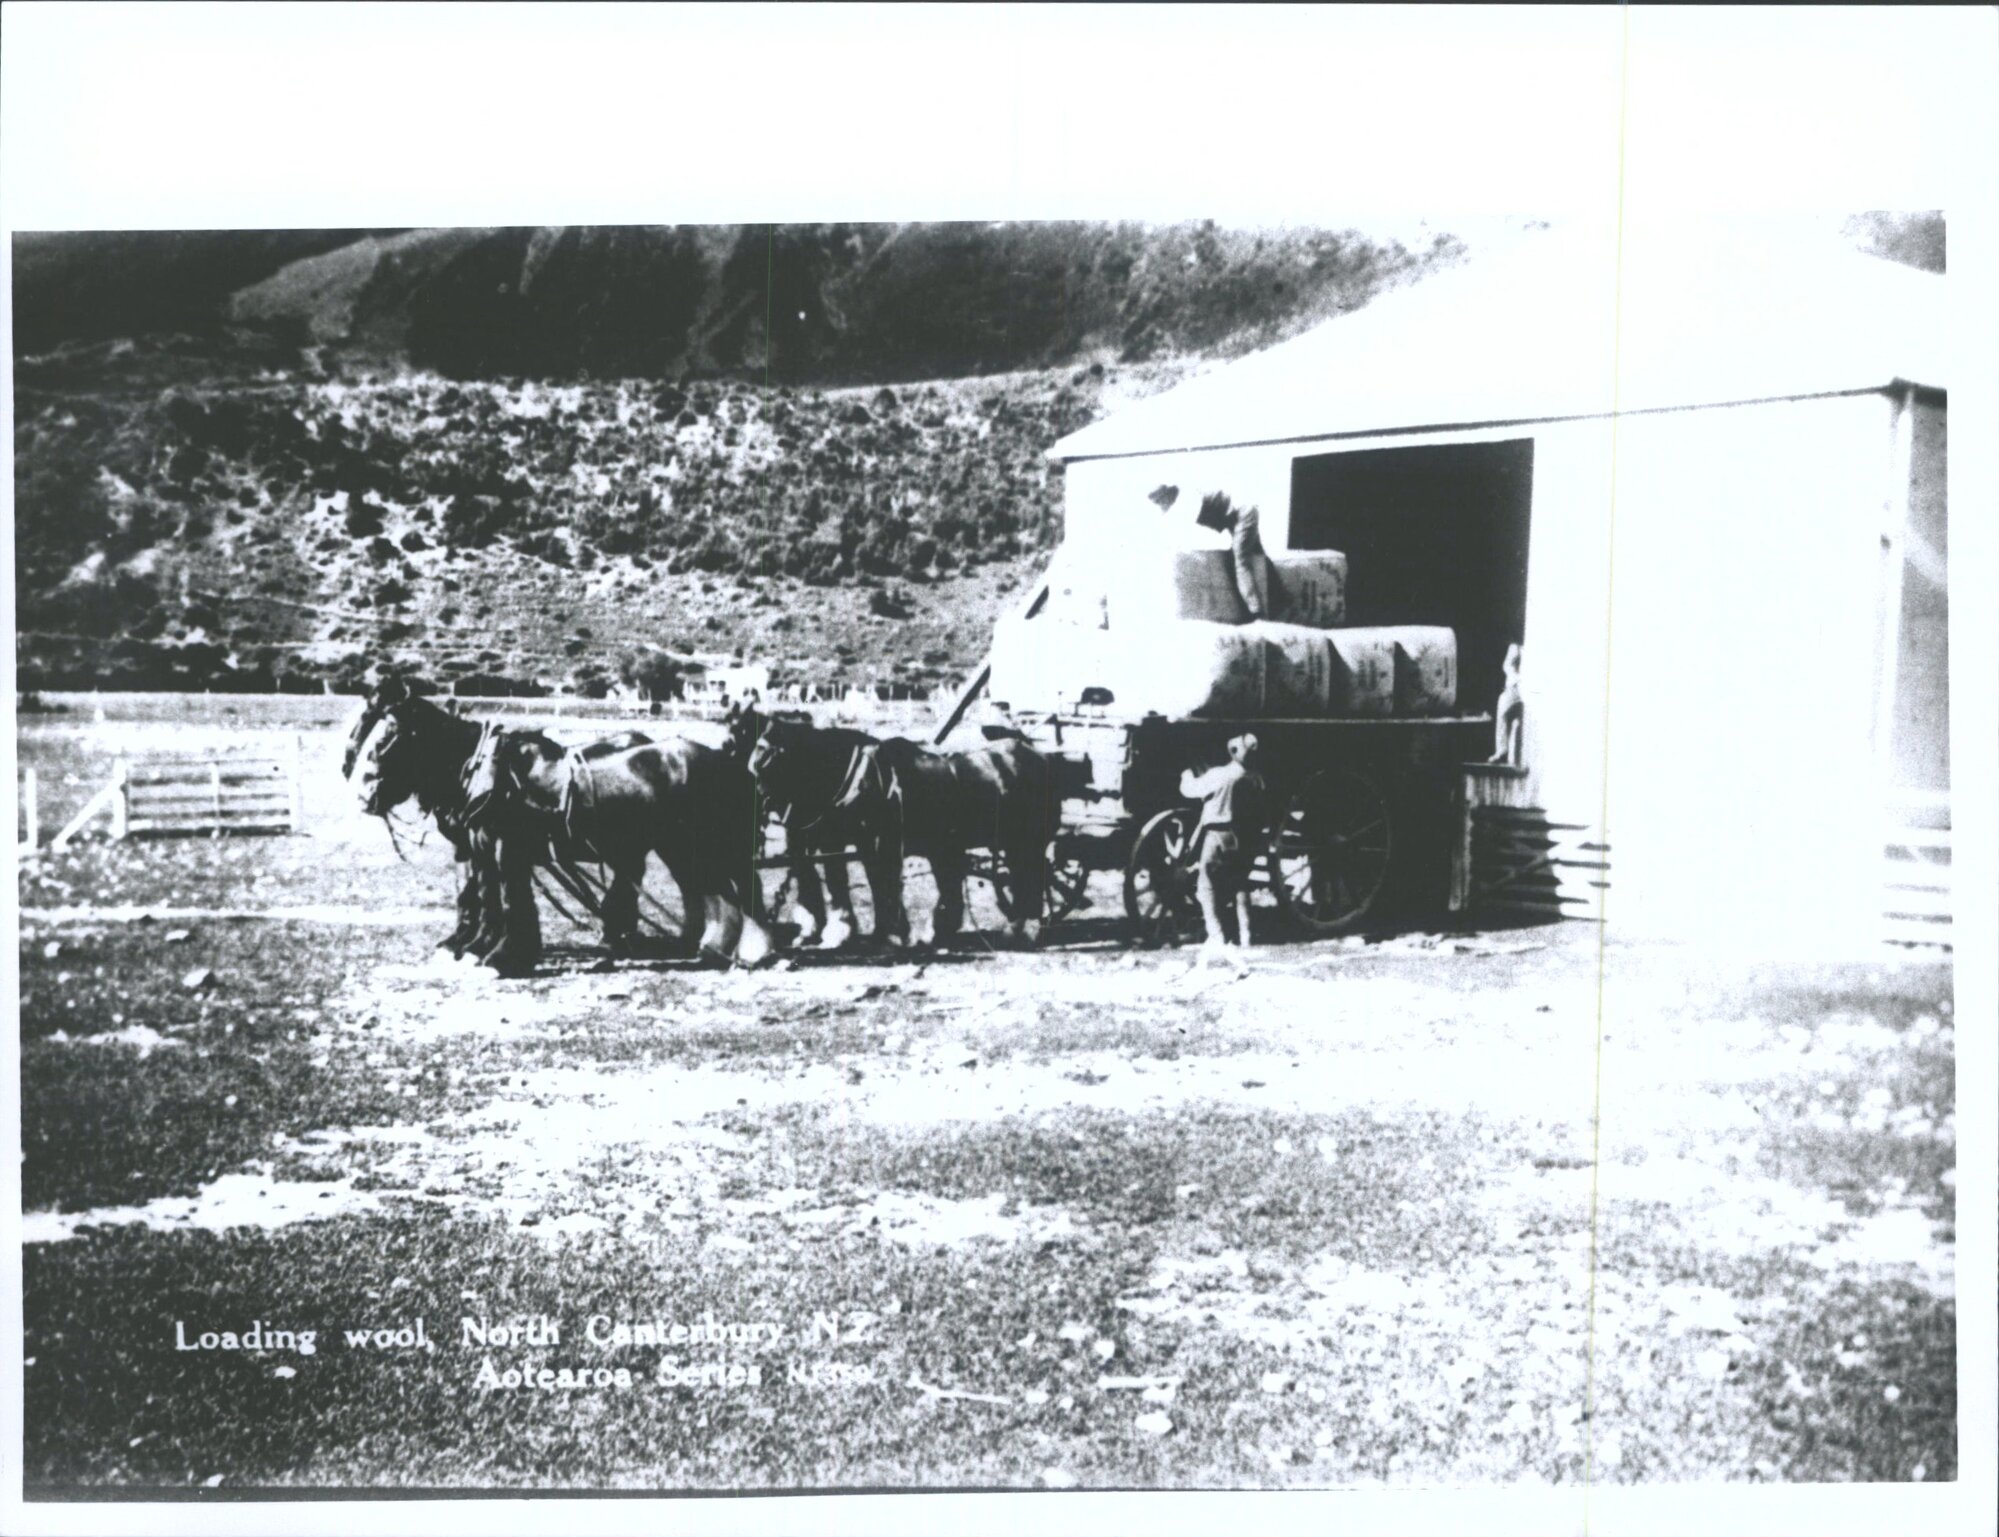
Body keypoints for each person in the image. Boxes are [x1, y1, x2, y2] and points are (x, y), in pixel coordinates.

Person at [1179, 733, 1267, 965]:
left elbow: (1190, 790)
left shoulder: (1218, 775)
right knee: (1240, 884)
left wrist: (1186, 773)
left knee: (1206, 888)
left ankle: (1217, 935)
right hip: (1240, 837)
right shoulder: (1255, 779)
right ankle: (1246, 936)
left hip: (1217, 835)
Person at [1151, 484, 1269, 619]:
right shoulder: (1180, 501)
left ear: (1167, 496)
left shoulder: (1188, 499)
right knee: (1255, 556)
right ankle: (1277, 599)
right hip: (1234, 517)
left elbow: (1194, 533)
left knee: (1241, 560)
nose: (1161, 505)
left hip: (1242, 513)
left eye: (1160, 501)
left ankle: (1257, 612)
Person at [1489, 643, 1524, 766]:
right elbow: (1507, 666)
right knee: (1503, 704)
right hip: (1517, 687)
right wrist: (1515, 679)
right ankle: (1502, 750)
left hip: (1527, 689)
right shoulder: (1515, 647)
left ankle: (1510, 754)